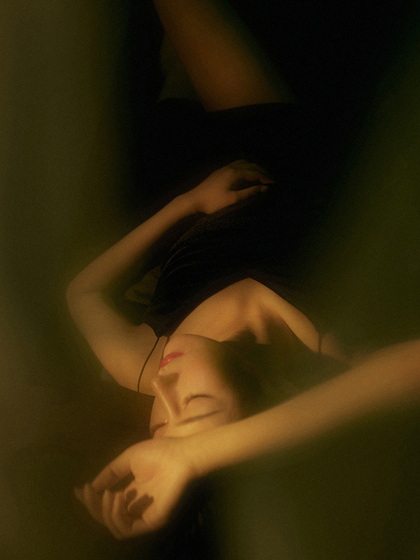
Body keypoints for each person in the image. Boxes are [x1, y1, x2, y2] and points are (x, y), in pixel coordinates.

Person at [67, 0, 420, 544]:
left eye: (158, 422)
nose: (163, 386)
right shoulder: (327, 356)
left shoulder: (144, 365)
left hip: (242, 149)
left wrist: (188, 203)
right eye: (194, 406)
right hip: (342, 152)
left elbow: (82, 293)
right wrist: (193, 455)